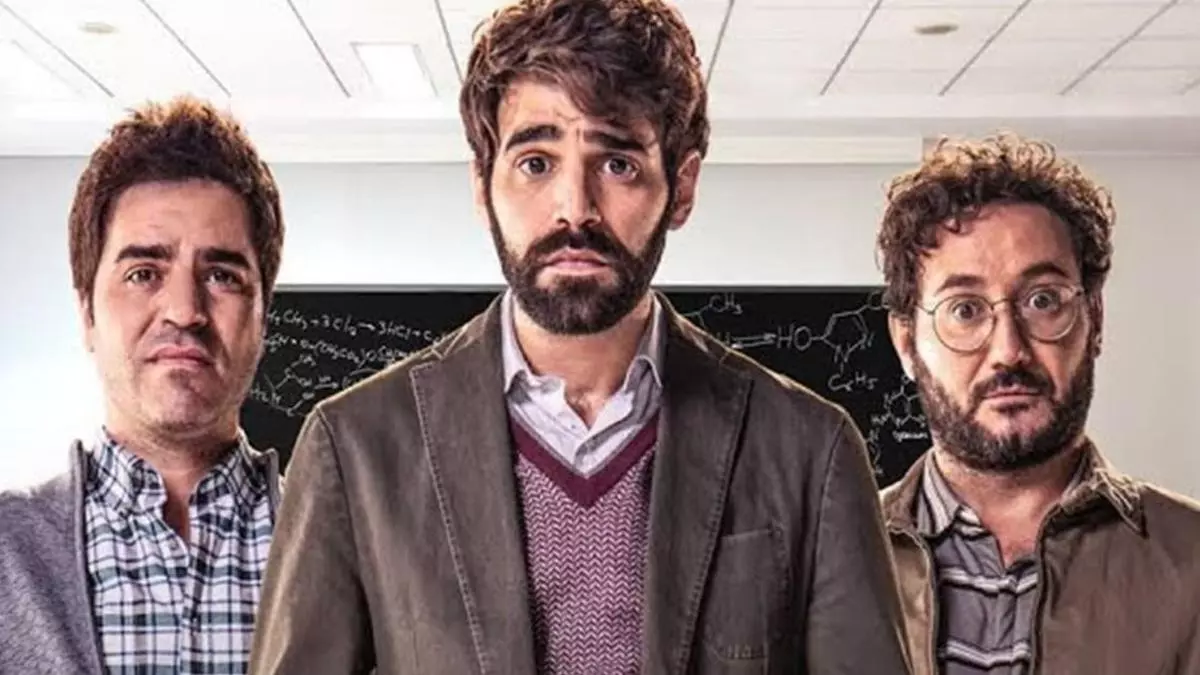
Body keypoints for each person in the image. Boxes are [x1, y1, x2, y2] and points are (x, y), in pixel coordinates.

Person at [248, 0, 911, 673]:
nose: (575, 208)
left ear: (681, 188)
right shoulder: (357, 447)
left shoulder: (809, 450)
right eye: (536, 162)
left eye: (617, 163)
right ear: (482, 184)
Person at [877, 133, 1200, 675]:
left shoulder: (1192, 560)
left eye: (1042, 300)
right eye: (965, 309)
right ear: (907, 342)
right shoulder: (829, 559)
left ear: (1094, 321)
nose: (1009, 350)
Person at [0, 95, 286, 674]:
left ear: (263, 315)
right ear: (87, 312)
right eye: (143, 273)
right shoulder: (8, 555)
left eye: (221, 276)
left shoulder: (352, 546)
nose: (184, 310)